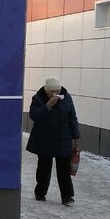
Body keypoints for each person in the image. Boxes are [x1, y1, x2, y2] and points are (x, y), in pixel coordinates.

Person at [26, 76, 82, 206]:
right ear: (46, 91)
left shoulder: (66, 98)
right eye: (52, 91)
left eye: (58, 90)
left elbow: (72, 118)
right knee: (44, 168)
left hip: (63, 138)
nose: (56, 93)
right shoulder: (38, 98)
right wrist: (48, 106)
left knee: (64, 169)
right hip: (44, 139)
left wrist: (77, 138)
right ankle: (40, 193)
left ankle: (67, 196)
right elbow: (34, 115)